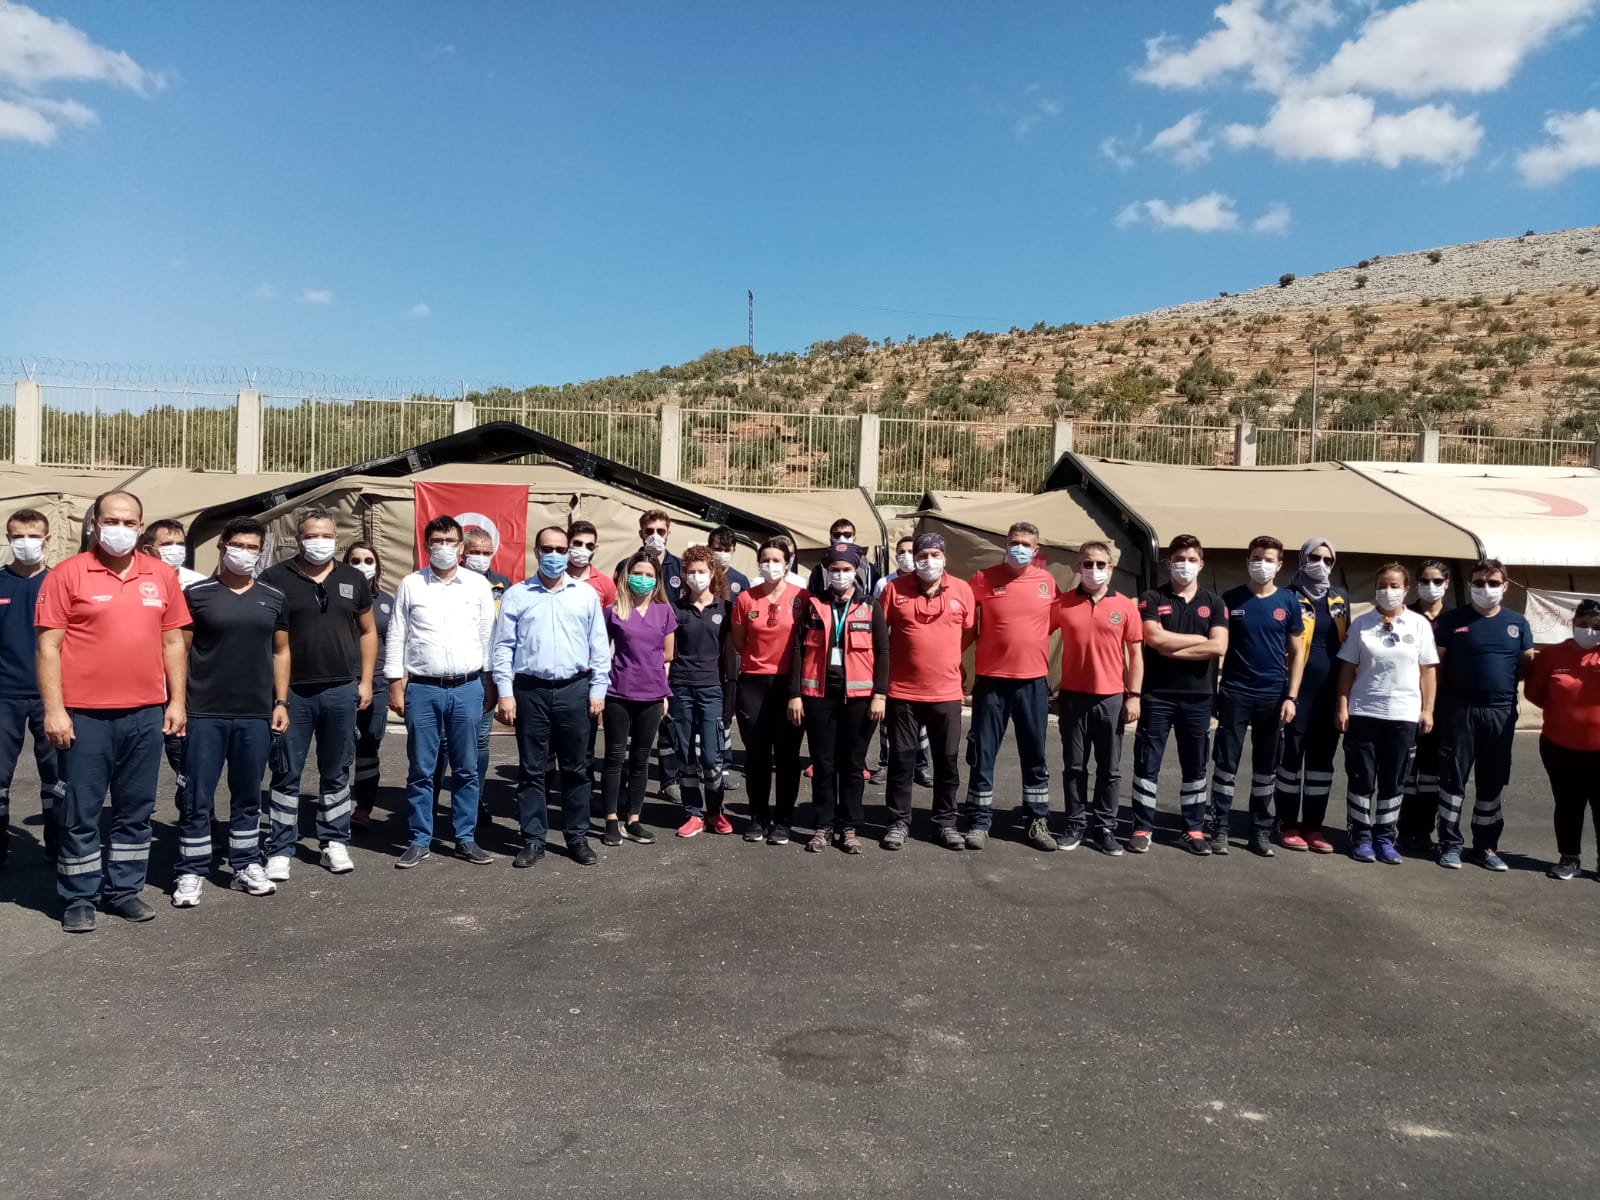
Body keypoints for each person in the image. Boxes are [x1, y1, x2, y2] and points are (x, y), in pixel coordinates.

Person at [37, 490, 189, 932]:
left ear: (140, 528)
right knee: (81, 811)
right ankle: (79, 896)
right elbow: (48, 647)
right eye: (111, 521)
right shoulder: (67, 574)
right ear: (94, 524)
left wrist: (177, 701)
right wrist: (55, 710)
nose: (119, 529)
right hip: (85, 715)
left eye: (128, 522)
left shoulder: (160, 575)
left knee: (136, 809)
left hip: (145, 713)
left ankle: (124, 890)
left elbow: (173, 642)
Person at [170, 518, 289, 906]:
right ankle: (191, 870)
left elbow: (281, 651)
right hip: (204, 713)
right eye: (238, 545)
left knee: (248, 795)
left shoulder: (273, 597)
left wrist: (281, 702)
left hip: (256, 714)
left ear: (261, 552)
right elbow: (180, 649)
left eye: (252, 547)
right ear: (222, 547)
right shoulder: (197, 594)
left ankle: (245, 864)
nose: (244, 553)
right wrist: (177, 702)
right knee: (196, 797)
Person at [260, 507, 378, 881]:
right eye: (312, 536)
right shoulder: (275, 578)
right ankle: (280, 848)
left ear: (336, 538)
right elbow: (267, 638)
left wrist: (364, 681)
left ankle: (334, 841)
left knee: (337, 769)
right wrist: (277, 697)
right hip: (293, 693)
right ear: (298, 539)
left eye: (327, 535)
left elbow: (368, 632)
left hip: (341, 689)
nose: (320, 542)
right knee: (285, 771)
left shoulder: (352, 578)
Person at [492, 525, 612, 869]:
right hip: (531, 690)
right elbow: (503, 647)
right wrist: (505, 694)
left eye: (561, 549)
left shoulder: (585, 595)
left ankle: (577, 837)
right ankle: (533, 839)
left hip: (575, 689)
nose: (556, 555)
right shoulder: (517, 595)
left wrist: (598, 690)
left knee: (577, 768)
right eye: (548, 549)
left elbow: (599, 646)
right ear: (536, 552)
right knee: (533, 769)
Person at [386, 516, 498, 869]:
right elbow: (397, 634)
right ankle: (419, 838)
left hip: (467, 686)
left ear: (461, 547)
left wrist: (491, 681)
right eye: (438, 540)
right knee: (421, 768)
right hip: (423, 688)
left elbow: (488, 636)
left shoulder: (477, 586)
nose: (444, 547)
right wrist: (394, 682)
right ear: (426, 545)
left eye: (451, 541)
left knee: (466, 767)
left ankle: (465, 837)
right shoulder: (411, 584)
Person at [1434, 558, 1535, 872]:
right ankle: (1449, 844)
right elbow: (1437, 667)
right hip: (1460, 711)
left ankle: (1486, 847)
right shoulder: (1452, 620)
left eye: (1493, 583)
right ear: (1470, 586)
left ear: (1504, 586)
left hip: (1500, 714)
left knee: (1492, 782)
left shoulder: (1518, 623)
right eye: (1479, 583)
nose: (1486, 588)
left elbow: (1525, 664)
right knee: (1453, 780)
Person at [962, 522, 1057, 851]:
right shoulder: (983, 578)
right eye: (1014, 542)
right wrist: (954, 659)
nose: (1019, 548)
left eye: (1026, 544)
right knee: (983, 753)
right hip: (992, 682)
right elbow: (966, 624)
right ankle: (978, 821)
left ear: (1036, 549)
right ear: (1005, 544)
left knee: (1035, 755)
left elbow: (1051, 623)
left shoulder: (1047, 582)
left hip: (1033, 682)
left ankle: (1036, 821)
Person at [1335, 563, 1438, 864]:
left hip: (1403, 715)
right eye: (1382, 585)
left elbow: (1428, 671)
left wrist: (1428, 710)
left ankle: (1384, 837)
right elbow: (1347, 669)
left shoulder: (1419, 624)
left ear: (1406, 590)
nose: (1388, 591)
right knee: (1362, 779)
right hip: (1364, 711)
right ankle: (1361, 836)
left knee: (1394, 781)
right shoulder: (1362, 624)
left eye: (1394, 586)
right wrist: (1342, 706)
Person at [1210, 535, 1306, 857]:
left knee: (1266, 767)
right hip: (1236, 691)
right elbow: (1217, 647)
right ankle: (1219, 827)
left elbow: (1297, 653)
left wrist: (1291, 696)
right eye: (1256, 558)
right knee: (1226, 763)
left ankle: (1259, 831)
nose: (1261, 564)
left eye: (1268, 559)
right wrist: (1216, 690)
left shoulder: (1289, 602)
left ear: (1279, 566)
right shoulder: (1230, 599)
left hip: (1273, 695)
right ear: (1247, 561)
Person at [790, 541, 888, 853]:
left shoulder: (870, 606)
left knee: (853, 764)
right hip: (818, 696)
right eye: (835, 569)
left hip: (859, 698)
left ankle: (849, 826)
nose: (840, 574)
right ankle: (823, 825)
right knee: (823, 763)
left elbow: (884, 652)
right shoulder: (813, 604)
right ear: (826, 571)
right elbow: (797, 649)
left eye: (846, 569)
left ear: (855, 571)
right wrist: (795, 694)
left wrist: (880, 694)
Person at [1133, 534, 1228, 855]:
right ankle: (1142, 828)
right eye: (1178, 560)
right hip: (1157, 695)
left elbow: (1219, 646)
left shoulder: (1214, 603)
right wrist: (1197, 642)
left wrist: (1170, 647)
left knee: (1195, 767)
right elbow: (1153, 638)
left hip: (1199, 698)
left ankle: (1193, 829)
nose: (1184, 565)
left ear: (1201, 564)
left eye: (1191, 560)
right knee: (1147, 764)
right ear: (1168, 563)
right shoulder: (1151, 597)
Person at [879, 533, 973, 851]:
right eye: (922, 556)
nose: (928, 561)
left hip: (946, 692)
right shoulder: (894, 589)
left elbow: (968, 631)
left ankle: (945, 823)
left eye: (935, 555)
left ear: (944, 557)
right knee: (902, 760)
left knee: (947, 761)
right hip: (902, 691)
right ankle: (898, 822)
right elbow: (880, 635)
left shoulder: (962, 590)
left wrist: (946, 657)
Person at [1053, 541, 1144, 855]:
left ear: (1111, 568)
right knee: (1074, 767)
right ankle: (1075, 823)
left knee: (1110, 769)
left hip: (1111, 698)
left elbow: (1136, 654)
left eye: (1100, 564)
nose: (1094, 570)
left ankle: (1105, 827)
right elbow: (1034, 634)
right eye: (1088, 564)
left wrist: (1134, 696)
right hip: (1073, 698)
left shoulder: (1126, 606)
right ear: (1079, 566)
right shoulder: (1062, 603)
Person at [1275, 538, 1351, 854]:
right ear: (1302, 558)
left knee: (1321, 763)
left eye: (1328, 560)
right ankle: (1286, 823)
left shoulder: (1340, 599)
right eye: (1315, 557)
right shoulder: (1287, 596)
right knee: (1290, 760)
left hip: (1329, 692)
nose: (1321, 564)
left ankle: (1314, 826)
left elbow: (1348, 647)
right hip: (1295, 691)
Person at [730, 538, 805, 844]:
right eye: (765, 560)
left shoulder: (801, 597)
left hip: (788, 685)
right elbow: (740, 641)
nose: (770, 565)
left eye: (776, 560)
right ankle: (758, 817)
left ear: (787, 564)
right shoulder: (746, 599)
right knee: (757, 755)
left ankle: (784, 820)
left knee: (787, 755)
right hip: (754, 683)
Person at [434, 525, 508, 826]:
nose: (480, 557)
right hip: (453, 672)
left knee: (480, 741)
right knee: (443, 742)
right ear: (463, 552)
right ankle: (431, 800)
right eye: (475, 551)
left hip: (485, 674)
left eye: (486, 552)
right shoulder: (449, 580)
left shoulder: (503, 584)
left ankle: (473, 801)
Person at [600, 552, 676, 846]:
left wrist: (664, 693)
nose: (642, 579)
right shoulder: (613, 611)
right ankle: (611, 818)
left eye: (649, 575)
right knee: (614, 757)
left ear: (657, 580)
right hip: (618, 691)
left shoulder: (664, 612)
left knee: (641, 759)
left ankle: (634, 819)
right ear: (626, 576)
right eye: (638, 573)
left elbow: (668, 655)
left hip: (652, 694)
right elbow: (600, 651)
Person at [0, 509, 62, 867]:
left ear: (47, 539)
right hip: (4, 696)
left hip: (51, 697)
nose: (26, 543)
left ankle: (58, 845)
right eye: (18, 536)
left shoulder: (60, 583)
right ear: (9, 539)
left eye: (34, 536)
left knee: (56, 775)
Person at [1525, 598, 1600, 880]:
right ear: (1572, 623)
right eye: (1583, 624)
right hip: (1560, 746)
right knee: (1568, 803)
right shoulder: (1551, 656)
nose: (1589, 630)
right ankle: (1569, 858)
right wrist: (1564, 713)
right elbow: (1534, 693)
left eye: (1597, 626)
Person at [670, 546, 732, 837]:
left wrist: (731, 694)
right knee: (684, 754)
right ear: (684, 575)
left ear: (712, 572)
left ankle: (715, 811)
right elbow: (668, 652)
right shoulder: (675, 608)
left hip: (712, 688)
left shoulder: (725, 608)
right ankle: (693, 812)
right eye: (691, 572)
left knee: (711, 755)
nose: (697, 577)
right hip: (681, 687)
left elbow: (731, 654)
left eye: (702, 571)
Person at [1399, 560, 1452, 855]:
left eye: (1436, 581)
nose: (1430, 586)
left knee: (1431, 773)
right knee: (1406, 770)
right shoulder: (1403, 614)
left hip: (1443, 706)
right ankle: (1402, 829)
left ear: (1447, 584)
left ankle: (1424, 833)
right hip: (1405, 703)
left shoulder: (1454, 619)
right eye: (1424, 580)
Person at [872, 535, 931, 789]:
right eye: (901, 551)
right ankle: (886, 764)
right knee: (889, 718)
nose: (906, 556)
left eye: (910, 550)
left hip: (920, 663)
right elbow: (878, 622)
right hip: (892, 659)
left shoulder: (928, 583)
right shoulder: (885, 584)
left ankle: (922, 764)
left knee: (922, 719)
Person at [345, 542, 393, 829]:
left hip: (378, 682)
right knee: (340, 746)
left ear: (377, 566)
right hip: (343, 679)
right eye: (355, 560)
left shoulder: (387, 601)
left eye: (368, 560)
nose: (362, 565)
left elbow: (397, 641)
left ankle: (363, 808)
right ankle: (335, 805)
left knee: (369, 744)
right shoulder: (335, 596)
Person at [707, 525, 747, 794]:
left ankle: (725, 764)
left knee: (726, 713)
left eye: (724, 549)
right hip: (704, 652)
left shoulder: (740, 580)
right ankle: (705, 762)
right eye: (715, 548)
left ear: (733, 550)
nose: (720, 553)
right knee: (704, 713)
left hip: (731, 654)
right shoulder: (700, 575)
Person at [615, 509, 683, 593]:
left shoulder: (680, 566)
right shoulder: (625, 565)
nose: (655, 536)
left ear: (667, 533)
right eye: (649, 531)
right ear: (641, 534)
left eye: (660, 531)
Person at [807, 517, 878, 595]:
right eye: (837, 535)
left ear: (854, 538)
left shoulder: (868, 569)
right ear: (831, 540)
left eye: (847, 535)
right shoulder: (819, 571)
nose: (842, 538)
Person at [140, 519, 208, 589]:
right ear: (148, 550)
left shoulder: (199, 583)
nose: (175, 549)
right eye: (167, 544)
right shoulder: (139, 582)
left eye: (180, 544)